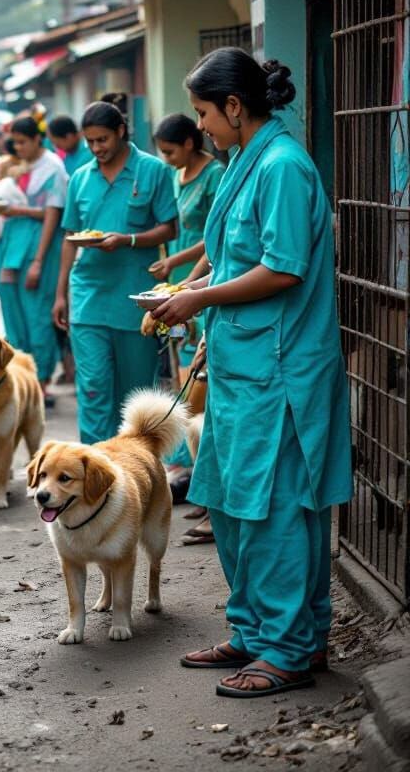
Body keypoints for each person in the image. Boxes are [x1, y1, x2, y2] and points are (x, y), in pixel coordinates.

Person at [154, 48, 352, 698]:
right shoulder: (246, 160)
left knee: (276, 512)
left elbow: (284, 267)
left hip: (281, 372)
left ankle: (291, 649)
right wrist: (192, 293)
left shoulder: (284, 168)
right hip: (242, 366)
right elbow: (232, 254)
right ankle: (255, 630)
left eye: (206, 114)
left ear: (234, 107)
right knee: (234, 508)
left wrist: (200, 300)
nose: (202, 127)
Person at [52, 101, 177, 444]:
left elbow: (169, 228)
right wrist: (60, 294)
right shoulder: (80, 178)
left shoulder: (153, 171)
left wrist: (129, 239)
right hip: (88, 295)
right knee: (92, 389)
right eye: (90, 142)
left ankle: (136, 470)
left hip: (135, 298)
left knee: (135, 394)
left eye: (102, 140)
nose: (96, 148)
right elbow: (69, 238)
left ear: (121, 131)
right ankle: (94, 467)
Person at [149, 113, 225, 478]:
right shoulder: (176, 177)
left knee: (198, 376)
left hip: (201, 278)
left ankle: (199, 464)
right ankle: (183, 456)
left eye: (169, 151)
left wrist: (184, 279)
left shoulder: (215, 175)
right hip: (177, 277)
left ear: (190, 144)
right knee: (179, 367)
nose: (166, 158)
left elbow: (212, 239)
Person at [0, 117, 67, 404]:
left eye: (23, 142)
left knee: (37, 315)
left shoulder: (53, 169)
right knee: (13, 312)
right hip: (11, 244)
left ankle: (42, 380)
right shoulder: (16, 166)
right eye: (15, 143)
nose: (19, 147)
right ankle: (20, 376)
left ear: (38, 139)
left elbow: (52, 215)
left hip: (40, 246)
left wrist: (38, 261)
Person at [47, 115, 91, 179]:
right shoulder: (68, 157)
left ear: (68, 137)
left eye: (58, 144)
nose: (57, 148)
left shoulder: (90, 153)